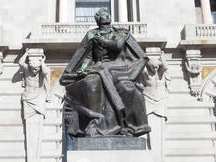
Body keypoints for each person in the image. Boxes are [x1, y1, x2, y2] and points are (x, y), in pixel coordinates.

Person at [60, 9, 150, 137]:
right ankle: (96, 121)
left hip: (121, 69)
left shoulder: (121, 32)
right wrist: (82, 69)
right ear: (97, 19)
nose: (106, 15)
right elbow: (85, 55)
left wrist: (101, 40)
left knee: (128, 88)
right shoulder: (91, 34)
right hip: (98, 67)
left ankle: (129, 127)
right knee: (91, 81)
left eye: (107, 14)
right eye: (102, 14)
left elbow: (120, 46)